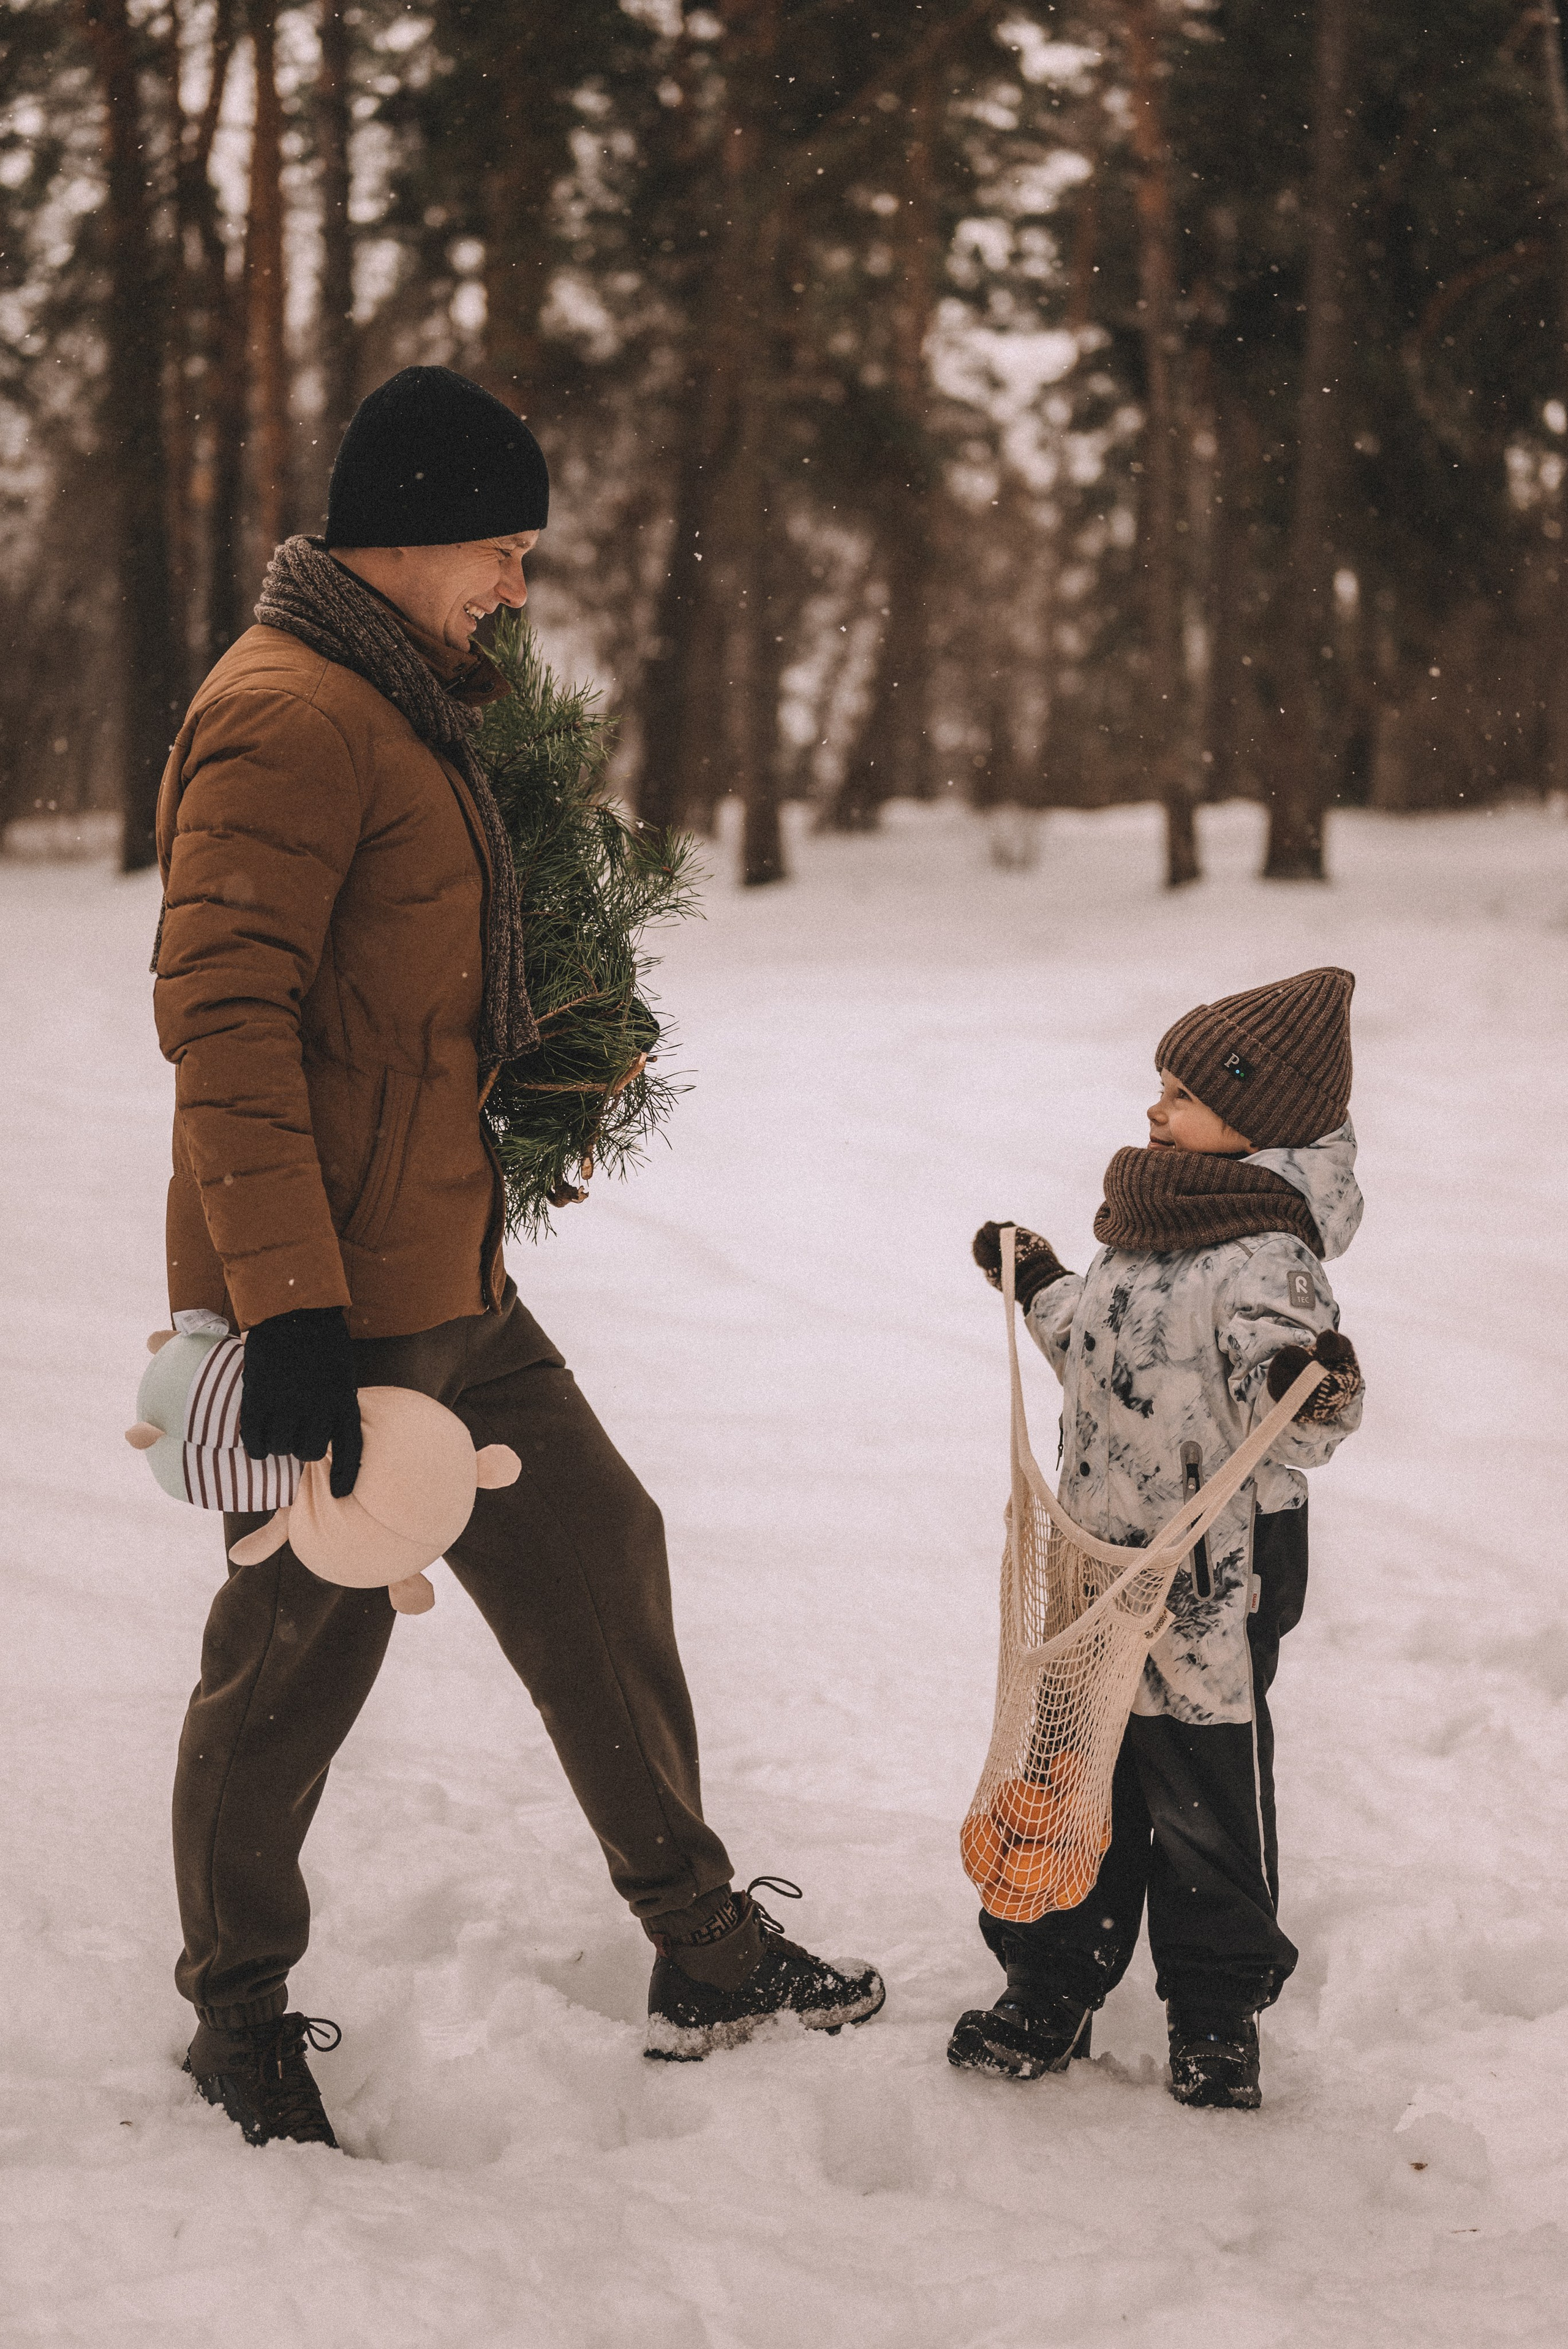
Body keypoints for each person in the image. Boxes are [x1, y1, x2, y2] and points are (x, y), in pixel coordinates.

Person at [152, 366, 883, 2150]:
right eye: (505, 549)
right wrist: (293, 1310)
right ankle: (236, 2015)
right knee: (295, 1652)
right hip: (343, 1291)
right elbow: (225, 1018)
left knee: (595, 1547)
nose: (518, 589)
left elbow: (392, 997)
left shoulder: (399, 700)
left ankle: (697, 1939)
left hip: (447, 1264)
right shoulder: (288, 713)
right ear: (410, 534)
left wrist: (539, 1053)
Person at [949, 968, 1365, 2111]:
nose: (1156, 1108)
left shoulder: (1267, 1255)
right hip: (1097, 1558)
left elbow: (1303, 1412)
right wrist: (1040, 1285)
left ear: (1258, 1121)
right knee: (1071, 1767)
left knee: (1199, 1786)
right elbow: (1102, 1345)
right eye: (1160, 1084)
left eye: (1182, 1091)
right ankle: (1051, 1980)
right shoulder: (1150, 1221)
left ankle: (1216, 2009)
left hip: (1211, 1571)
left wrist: (1307, 1385)